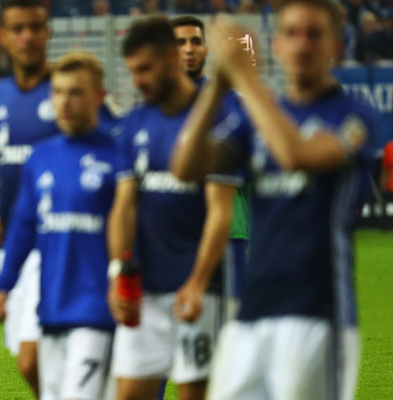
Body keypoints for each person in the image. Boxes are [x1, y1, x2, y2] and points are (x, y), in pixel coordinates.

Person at [170, 0, 377, 397]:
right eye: (292, 34)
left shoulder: (354, 116)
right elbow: (185, 166)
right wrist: (218, 87)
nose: (302, 45)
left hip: (316, 315)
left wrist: (246, 79)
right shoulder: (257, 118)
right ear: (277, 44)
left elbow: (296, 156)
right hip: (250, 314)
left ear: (335, 46)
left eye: (314, 34)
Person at [107, 16, 241, 400]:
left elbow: (220, 211)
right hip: (144, 290)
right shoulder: (134, 122)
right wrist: (118, 272)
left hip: (200, 288)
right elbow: (124, 206)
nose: (138, 80)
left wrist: (198, 283)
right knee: (130, 393)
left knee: (193, 393)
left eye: (145, 69)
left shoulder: (217, 116)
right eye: (133, 71)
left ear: (170, 58)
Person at [0, 50, 116, 400]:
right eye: (58, 92)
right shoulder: (41, 158)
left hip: (98, 311)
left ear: (98, 97)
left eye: (75, 92)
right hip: (51, 310)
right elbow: (22, 228)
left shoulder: (118, 156)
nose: (64, 101)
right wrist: (3, 286)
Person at [0, 0, 56, 396]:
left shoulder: (66, 88)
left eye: (35, 27)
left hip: (59, 242)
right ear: (3, 36)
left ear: (47, 31)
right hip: (14, 247)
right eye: (17, 28)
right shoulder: (0, 94)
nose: (27, 36)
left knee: (34, 358)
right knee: (32, 367)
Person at [172, 15, 250, 311]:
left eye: (195, 42)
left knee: (233, 322)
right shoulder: (157, 109)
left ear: (206, 50)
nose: (189, 49)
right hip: (175, 231)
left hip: (229, 229)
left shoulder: (234, 102)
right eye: (180, 43)